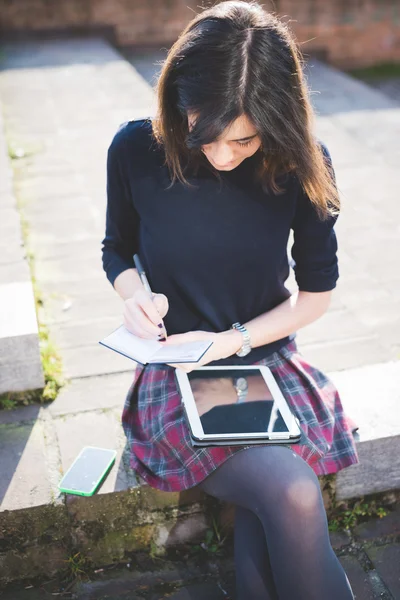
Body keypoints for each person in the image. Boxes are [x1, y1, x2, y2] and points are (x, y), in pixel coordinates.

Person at [101, 2, 359, 598]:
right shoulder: (136, 148)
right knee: (290, 490)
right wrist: (135, 297)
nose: (220, 155)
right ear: (178, 103)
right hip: (176, 372)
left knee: (275, 502)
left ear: (281, 117)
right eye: (204, 134)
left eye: (243, 139)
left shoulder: (303, 164)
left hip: (263, 357)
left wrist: (231, 340)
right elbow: (117, 250)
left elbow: (315, 297)